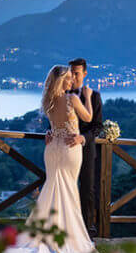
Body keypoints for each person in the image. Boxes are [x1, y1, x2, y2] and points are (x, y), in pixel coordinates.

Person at [3, 65, 103, 253]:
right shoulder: (71, 99)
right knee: (68, 192)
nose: (71, 82)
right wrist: (87, 97)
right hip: (69, 149)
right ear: (61, 81)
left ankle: (47, 234)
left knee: (53, 189)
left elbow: (54, 124)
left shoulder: (48, 102)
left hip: (52, 148)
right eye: (67, 78)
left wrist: (51, 131)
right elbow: (88, 116)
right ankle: (68, 238)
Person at [44, 57, 103, 237]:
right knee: (63, 189)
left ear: (84, 74)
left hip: (83, 148)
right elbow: (57, 122)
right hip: (64, 149)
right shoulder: (64, 96)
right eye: (70, 74)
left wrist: (82, 138)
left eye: (76, 74)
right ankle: (64, 230)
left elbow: (97, 126)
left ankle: (86, 231)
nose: (73, 77)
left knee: (87, 191)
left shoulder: (94, 96)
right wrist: (49, 132)